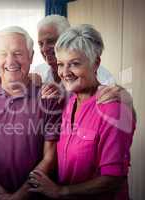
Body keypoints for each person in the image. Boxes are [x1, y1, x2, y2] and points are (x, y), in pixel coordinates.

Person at [28, 24, 136, 200]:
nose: (64, 72)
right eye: (61, 64)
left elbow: (113, 178)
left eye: (75, 64)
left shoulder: (113, 109)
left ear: (96, 63)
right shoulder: (70, 102)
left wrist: (60, 191)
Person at [0, 26, 63, 200]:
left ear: (31, 56)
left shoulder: (49, 97)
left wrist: (19, 196)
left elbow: (50, 157)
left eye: (18, 53)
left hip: (35, 195)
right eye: (3, 54)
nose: (10, 61)